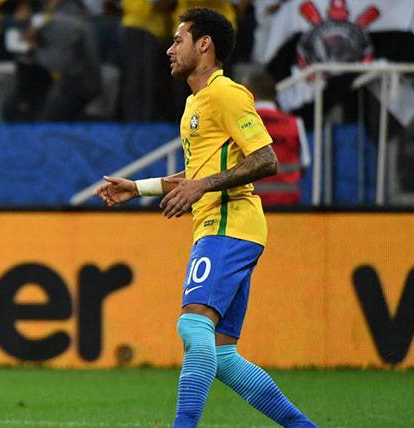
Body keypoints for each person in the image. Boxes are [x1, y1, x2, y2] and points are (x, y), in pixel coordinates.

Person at [95, 8, 316, 428]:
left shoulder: (226, 94)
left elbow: (266, 159)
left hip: (230, 223)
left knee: (193, 327)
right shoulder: (195, 103)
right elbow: (198, 173)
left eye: (178, 40)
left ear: (204, 45)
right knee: (224, 356)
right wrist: (138, 188)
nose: (169, 49)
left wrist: (203, 187)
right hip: (223, 227)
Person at [245, 70, 310, 206]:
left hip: (252, 206)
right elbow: (304, 164)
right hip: (288, 206)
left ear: (250, 94)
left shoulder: (242, 124)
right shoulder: (295, 123)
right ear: (275, 95)